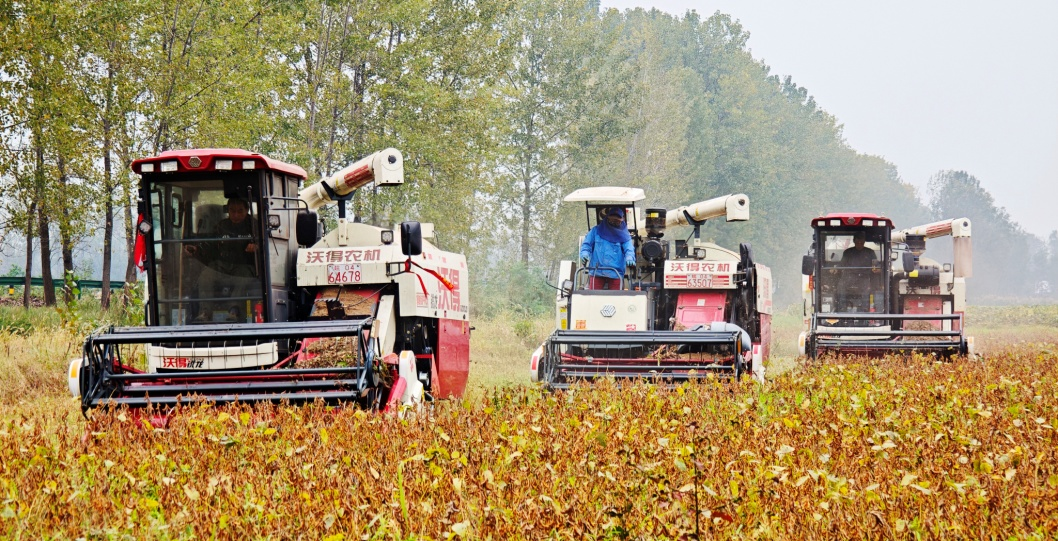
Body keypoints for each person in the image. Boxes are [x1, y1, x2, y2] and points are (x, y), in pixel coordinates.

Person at [184, 198, 260, 321]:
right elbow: (211, 245)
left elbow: (265, 245)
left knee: (243, 276)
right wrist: (197, 249)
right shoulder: (222, 226)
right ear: (227, 210)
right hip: (223, 266)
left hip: (245, 265)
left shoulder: (255, 226)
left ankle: (234, 311)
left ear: (247, 210)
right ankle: (205, 312)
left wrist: (256, 246)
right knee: (206, 274)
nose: (236, 215)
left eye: (240, 211)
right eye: (232, 211)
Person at [579, 206, 636, 290]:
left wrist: (630, 257)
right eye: (612, 220)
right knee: (593, 296)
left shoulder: (624, 235)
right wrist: (584, 253)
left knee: (617, 297)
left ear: (622, 220)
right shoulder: (596, 231)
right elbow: (587, 245)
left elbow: (629, 248)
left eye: (617, 221)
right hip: (597, 271)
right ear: (607, 218)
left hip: (615, 273)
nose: (614, 223)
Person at [838, 231, 877, 311]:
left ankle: (864, 310)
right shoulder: (847, 252)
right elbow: (841, 265)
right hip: (849, 278)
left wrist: (877, 269)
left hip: (864, 278)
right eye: (857, 242)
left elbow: (875, 265)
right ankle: (842, 309)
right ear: (854, 241)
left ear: (864, 241)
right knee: (840, 286)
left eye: (861, 242)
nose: (859, 244)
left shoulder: (870, 252)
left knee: (867, 289)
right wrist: (835, 269)